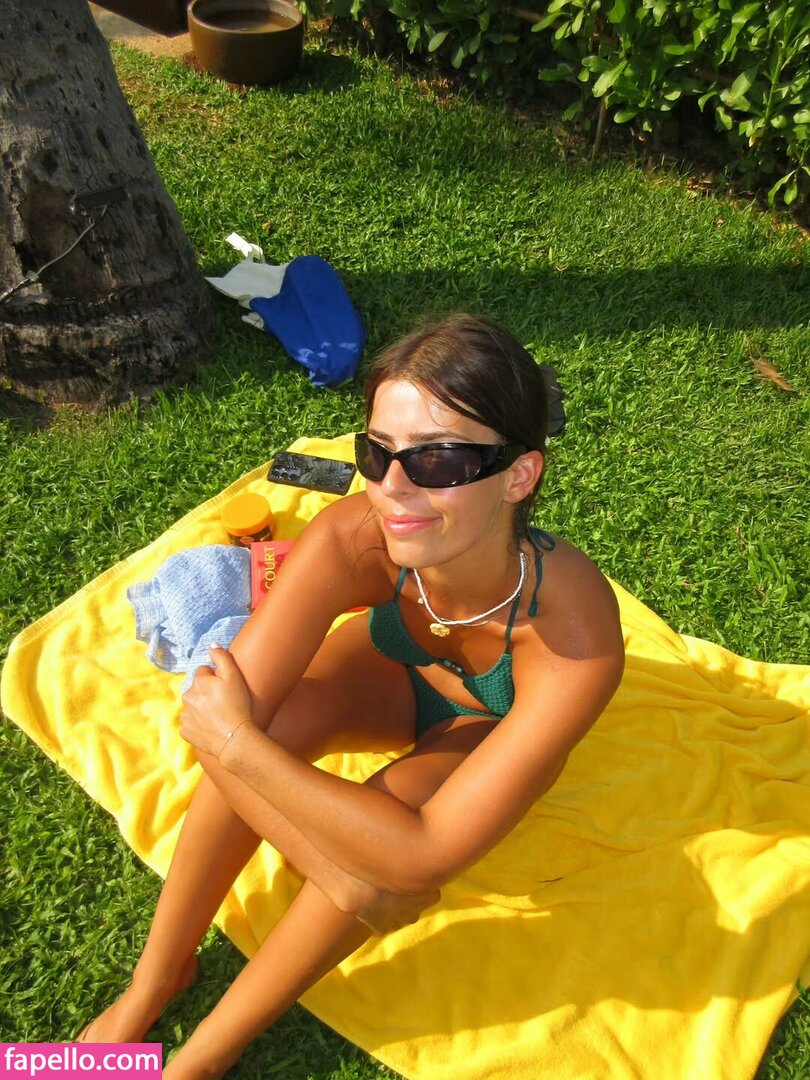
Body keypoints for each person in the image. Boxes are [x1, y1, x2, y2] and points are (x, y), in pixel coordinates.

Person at [79, 314, 625, 1077]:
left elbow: (422, 854)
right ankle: (156, 978)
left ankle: (201, 1056)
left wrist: (242, 748)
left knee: (379, 833)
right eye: (378, 452)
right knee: (294, 755)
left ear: (519, 475)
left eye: (437, 459)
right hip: (391, 667)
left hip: (482, 721)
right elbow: (215, 710)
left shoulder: (575, 635)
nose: (393, 488)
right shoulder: (354, 536)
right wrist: (340, 867)